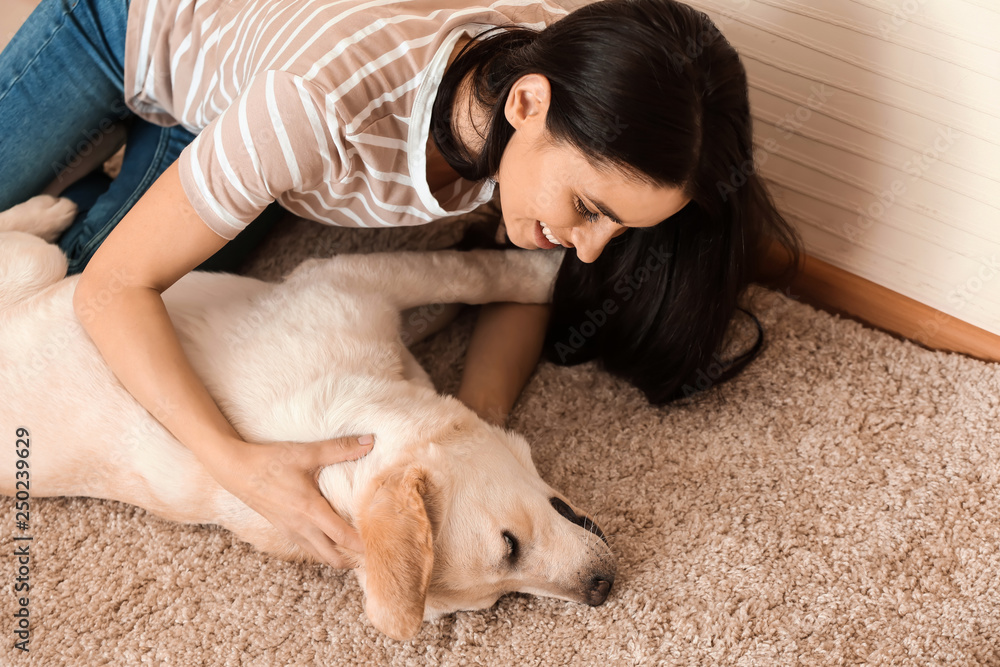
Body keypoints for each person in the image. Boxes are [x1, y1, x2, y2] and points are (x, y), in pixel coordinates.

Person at [0, 0, 799, 567]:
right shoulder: (314, 113)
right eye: (588, 210)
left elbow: (520, 279)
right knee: (75, 286)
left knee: (79, 285)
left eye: (618, 229)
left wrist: (473, 431)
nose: (588, 253)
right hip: (124, 28)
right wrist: (234, 463)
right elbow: (111, 291)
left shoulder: (565, 71)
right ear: (526, 102)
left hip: (231, 106)